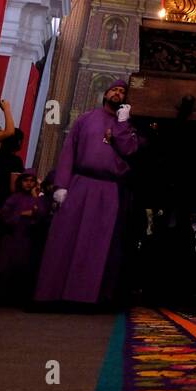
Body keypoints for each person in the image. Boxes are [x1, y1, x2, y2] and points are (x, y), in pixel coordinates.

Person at [35, 80, 140, 306]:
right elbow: (68, 152)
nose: (118, 94)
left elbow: (129, 150)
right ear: (105, 94)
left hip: (109, 189)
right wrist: (62, 185)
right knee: (65, 238)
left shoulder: (129, 126)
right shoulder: (85, 119)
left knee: (96, 243)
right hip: (80, 184)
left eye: (122, 92)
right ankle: (53, 294)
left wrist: (122, 125)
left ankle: (84, 296)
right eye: (114, 90)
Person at [0, 169, 49, 305]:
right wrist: (22, 214)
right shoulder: (14, 198)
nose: (28, 184)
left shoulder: (37, 199)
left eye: (31, 181)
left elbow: (40, 214)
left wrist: (35, 199)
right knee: (5, 267)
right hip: (12, 238)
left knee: (22, 268)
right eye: (26, 181)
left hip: (27, 239)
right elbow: (5, 217)